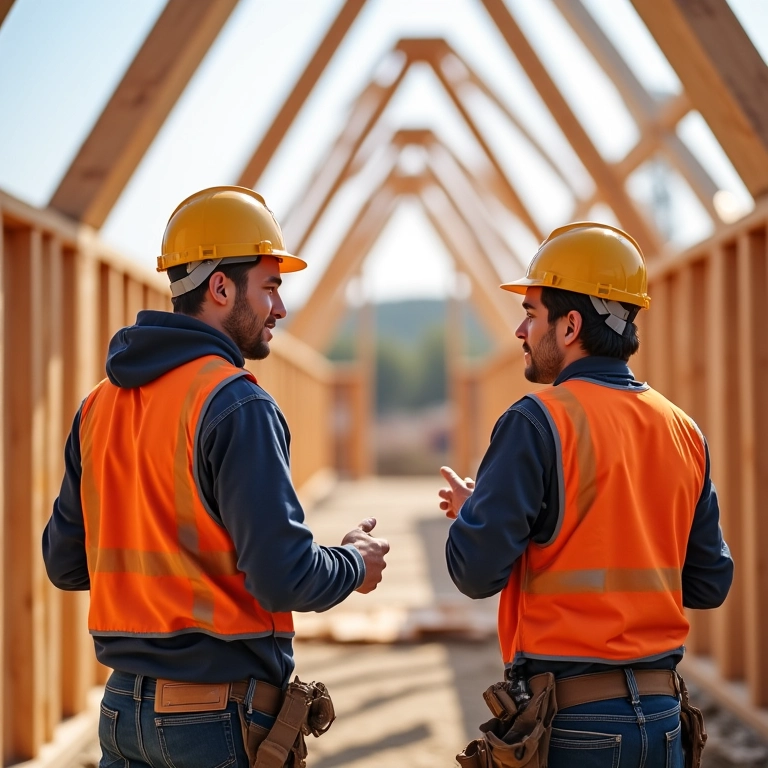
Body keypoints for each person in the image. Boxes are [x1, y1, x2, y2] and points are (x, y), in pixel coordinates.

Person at [42, 186, 390, 768]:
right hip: (216, 715)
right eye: (271, 286)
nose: (280, 308)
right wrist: (354, 562)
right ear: (221, 288)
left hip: (122, 709)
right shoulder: (234, 403)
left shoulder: (97, 407)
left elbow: (66, 564)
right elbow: (283, 576)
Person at [439, 222, 733, 768]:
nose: (520, 331)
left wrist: (473, 516)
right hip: (667, 720)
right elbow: (709, 582)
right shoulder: (682, 429)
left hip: (574, 725)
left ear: (570, 324)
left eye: (531, 313)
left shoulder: (537, 422)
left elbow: (474, 573)